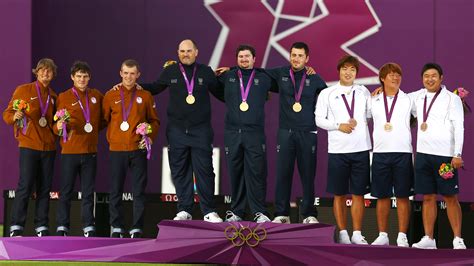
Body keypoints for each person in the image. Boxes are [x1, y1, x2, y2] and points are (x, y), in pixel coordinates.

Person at [140, 39, 223, 222]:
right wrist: (132, 86)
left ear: (196, 52)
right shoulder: (170, 71)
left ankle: (208, 210)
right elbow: (155, 87)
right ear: (178, 53)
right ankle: (184, 209)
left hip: (201, 131)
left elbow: (222, 93)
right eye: (182, 51)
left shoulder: (206, 72)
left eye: (189, 51)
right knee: (179, 170)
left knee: (205, 171)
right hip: (177, 131)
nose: (186, 54)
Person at [264, 42, 327, 224]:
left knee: (308, 175)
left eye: (300, 56)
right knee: (283, 173)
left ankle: (309, 214)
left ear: (307, 59)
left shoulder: (315, 79)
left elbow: (330, 98)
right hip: (286, 132)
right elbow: (254, 73)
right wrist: (232, 69)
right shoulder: (281, 73)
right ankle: (281, 213)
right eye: (293, 55)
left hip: (308, 132)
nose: (296, 59)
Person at [315, 55, 371, 244]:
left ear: (356, 73)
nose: (348, 72)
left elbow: (371, 114)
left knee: (358, 194)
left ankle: (357, 233)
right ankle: (343, 232)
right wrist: (339, 125)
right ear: (339, 70)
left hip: (361, 148)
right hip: (338, 150)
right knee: (339, 194)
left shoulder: (363, 92)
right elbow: (319, 119)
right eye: (345, 69)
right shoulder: (327, 93)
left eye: (353, 69)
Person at [217, 44, 275, 223]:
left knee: (256, 173)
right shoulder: (227, 76)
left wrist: (308, 71)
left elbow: (288, 76)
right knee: (235, 173)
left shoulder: (264, 78)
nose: (244, 59)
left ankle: (259, 211)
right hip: (232, 133)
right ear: (236, 59)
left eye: (247, 56)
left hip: (254, 134)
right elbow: (209, 82)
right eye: (240, 56)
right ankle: (237, 211)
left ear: (254, 59)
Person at [411, 63, 466, 249]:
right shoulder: (416, 97)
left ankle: (458, 238)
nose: (430, 79)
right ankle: (429, 238)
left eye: (434, 75)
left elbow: (459, 127)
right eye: (426, 76)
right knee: (427, 197)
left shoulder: (452, 99)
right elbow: (395, 97)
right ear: (422, 78)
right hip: (423, 155)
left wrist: (457, 153)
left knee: (450, 197)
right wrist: (380, 90)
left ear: (441, 78)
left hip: (445, 157)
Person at [103, 59, 160, 238]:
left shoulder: (146, 96)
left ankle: (137, 228)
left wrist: (149, 136)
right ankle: (116, 226)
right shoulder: (110, 96)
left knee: (138, 191)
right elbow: (104, 121)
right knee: (115, 190)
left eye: (132, 73)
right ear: (120, 73)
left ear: (138, 75)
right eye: (125, 73)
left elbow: (154, 121)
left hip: (138, 149)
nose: (129, 77)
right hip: (117, 149)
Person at [3, 58, 58, 237]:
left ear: (53, 74)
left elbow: (54, 123)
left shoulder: (54, 96)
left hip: (48, 147)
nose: (45, 74)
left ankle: (41, 225)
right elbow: (7, 114)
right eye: (42, 70)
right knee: (25, 185)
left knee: (45, 188)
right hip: (29, 144)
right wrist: (15, 116)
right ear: (36, 72)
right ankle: (16, 226)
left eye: (49, 71)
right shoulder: (23, 90)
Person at [54, 61, 105, 237]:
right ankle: (62, 226)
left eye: (85, 76)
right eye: (78, 76)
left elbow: (103, 120)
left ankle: (88, 226)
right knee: (66, 191)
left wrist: (91, 130)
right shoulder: (64, 96)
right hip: (69, 152)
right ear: (72, 77)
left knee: (88, 192)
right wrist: (59, 126)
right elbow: (57, 125)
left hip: (90, 152)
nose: (82, 79)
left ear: (89, 77)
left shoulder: (97, 96)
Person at [369, 63, 413, 247]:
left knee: (403, 196)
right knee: (382, 196)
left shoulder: (410, 99)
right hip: (380, 153)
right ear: (382, 78)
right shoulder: (372, 100)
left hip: (403, 153)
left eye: (398, 75)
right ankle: (383, 235)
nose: (395, 78)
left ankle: (402, 235)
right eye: (391, 75)